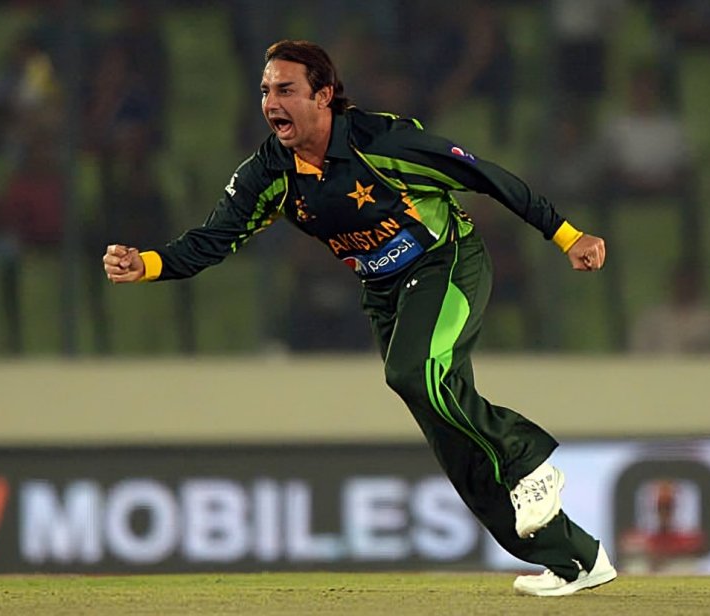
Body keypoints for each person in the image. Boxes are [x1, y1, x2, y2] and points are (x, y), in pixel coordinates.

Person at [102, 40, 615, 596]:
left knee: (412, 373)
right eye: (266, 91)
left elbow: (485, 175)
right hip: (384, 291)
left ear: (323, 96)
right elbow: (214, 239)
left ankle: (528, 462)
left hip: (446, 264)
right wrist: (147, 263)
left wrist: (567, 235)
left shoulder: (381, 142)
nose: (271, 102)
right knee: (453, 444)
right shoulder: (270, 172)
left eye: (286, 89)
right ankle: (577, 559)